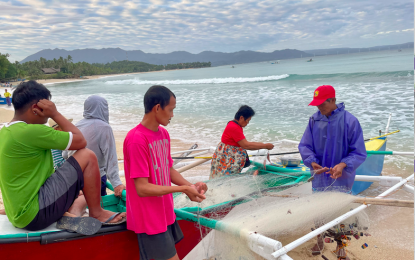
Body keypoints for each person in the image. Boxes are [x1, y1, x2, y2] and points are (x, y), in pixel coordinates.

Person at [0, 81, 126, 233]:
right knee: (87, 155)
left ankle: (71, 215)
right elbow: (81, 141)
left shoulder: (5, 132)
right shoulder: (31, 131)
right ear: (36, 108)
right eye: (47, 106)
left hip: (19, 213)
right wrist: (55, 114)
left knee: (85, 195)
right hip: (34, 215)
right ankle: (97, 213)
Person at [123, 85, 208, 260]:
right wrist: (182, 190)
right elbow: (142, 188)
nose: (172, 115)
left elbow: (167, 170)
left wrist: (190, 185)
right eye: (170, 110)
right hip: (149, 219)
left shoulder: (163, 134)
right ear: (157, 108)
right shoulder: (136, 140)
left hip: (165, 212)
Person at [298, 85, 367, 255]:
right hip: (320, 177)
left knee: (342, 214)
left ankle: (340, 247)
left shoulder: (350, 121)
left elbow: (358, 152)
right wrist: (312, 162)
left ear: (333, 101)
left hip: (342, 177)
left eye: (323, 104)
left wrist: (343, 164)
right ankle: (320, 241)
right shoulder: (314, 120)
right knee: (319, 211)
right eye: (317, 105)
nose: (319, 108)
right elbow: (305, 145)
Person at [73, 95, 125, 197]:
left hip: (74, 179)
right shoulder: (104, 127)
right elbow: (111, 157)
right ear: (103, 109)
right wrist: (116, 183)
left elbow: (66, 154)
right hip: (95, 178)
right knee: (98, 209)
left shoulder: (76, 126)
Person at [210, 105, 274, 179]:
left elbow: (245, 142)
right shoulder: (234, 127)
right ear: (241, 118)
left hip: (226, 156)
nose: (248, 123)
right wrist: (265, 146)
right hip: (227, 158)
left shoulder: (233, 124)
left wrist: (262, 144)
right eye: (247, 121)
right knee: (226, 178)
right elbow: (246, 145)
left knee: (221, 177)